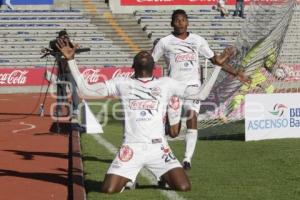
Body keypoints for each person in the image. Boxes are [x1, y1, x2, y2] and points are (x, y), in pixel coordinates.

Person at [56, 37, 195, 193]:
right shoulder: (121, 83)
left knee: (184, 187)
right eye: (140, 54)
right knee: (108, 189)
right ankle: (129, 178)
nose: (144, 54)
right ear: (133, 65)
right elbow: (86, 90)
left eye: (148, 54)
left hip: (159, 147)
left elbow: (200, 95)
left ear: (154, 65)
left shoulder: (166, 83)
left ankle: (163, 176)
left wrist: (217, 67)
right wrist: (71, 60)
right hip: (131, 147)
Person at [151, 9, 250, 170]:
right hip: (173, 90)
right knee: (174, 133)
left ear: (188, 22)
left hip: (194, 88)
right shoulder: (164, 42)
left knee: (192, 119)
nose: (180, 23)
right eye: (177, 20)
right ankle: (164, 129)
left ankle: (187, 160)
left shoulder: (197, 40)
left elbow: (216, 60)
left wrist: (237, 73)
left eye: (183, 20)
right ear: (172, 23)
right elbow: (149, 62)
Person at [50, 30, 79, 118]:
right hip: (61, 72)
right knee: (60, 92)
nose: (65, 38)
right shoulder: (57, 45)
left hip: (70, 72)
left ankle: (75, 108)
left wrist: (67, 41)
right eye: (63, 37)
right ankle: (59, 110)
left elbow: (71, 50)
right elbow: (52, 44)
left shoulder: (69, 44)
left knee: (73, 90)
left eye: (66, 36)